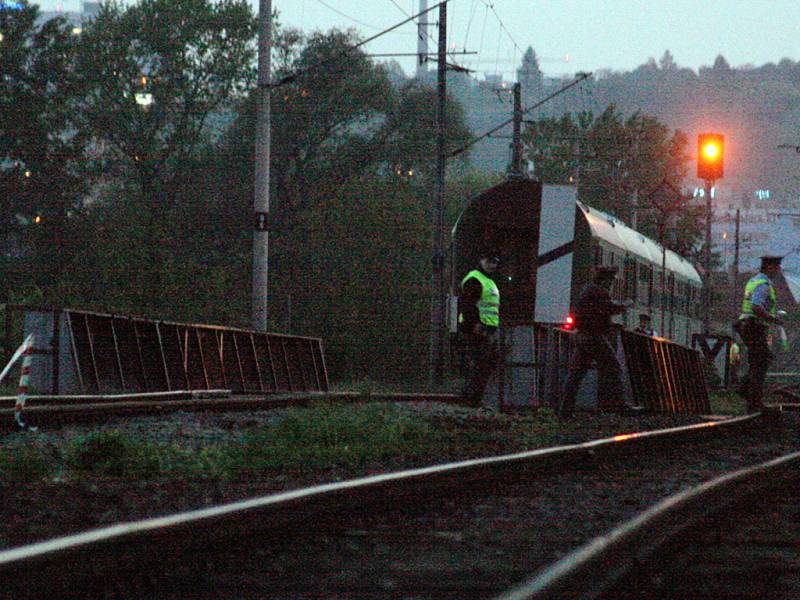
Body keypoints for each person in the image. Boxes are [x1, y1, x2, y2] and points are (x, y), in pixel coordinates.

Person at [559, 265, 629, 419]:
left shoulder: (588, 290)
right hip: (594, 336)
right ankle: (620, 405)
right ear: (605, 280)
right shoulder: (599, 292)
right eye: (610, 281)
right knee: (613, 367)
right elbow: (607, 309)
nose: (610, 285)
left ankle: (565, 411)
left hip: (582, 336)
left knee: (575, 374)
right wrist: (623, 308)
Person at [735, 255, 784, 412]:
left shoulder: (754, 280)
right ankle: (753, 399)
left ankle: (747, 392)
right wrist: (774, 319)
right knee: (761, 362)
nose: (779, 270)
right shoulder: (764, 285)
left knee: (758, 361)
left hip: (747, 325)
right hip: (754, 326)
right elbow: (756, 307)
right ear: (770, 267)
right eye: (777, 267)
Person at [458, 252, 501, 406]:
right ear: (481, 261)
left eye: (495, 262)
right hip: (477, 330)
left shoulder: (486, 280)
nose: (492, 265)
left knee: (481, 366)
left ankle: (470, 399)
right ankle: (473, 401)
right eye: (489, 262)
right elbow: (467, 304)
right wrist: (475, 325)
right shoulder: (475, 279)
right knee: (480, 366)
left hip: (484, 329)